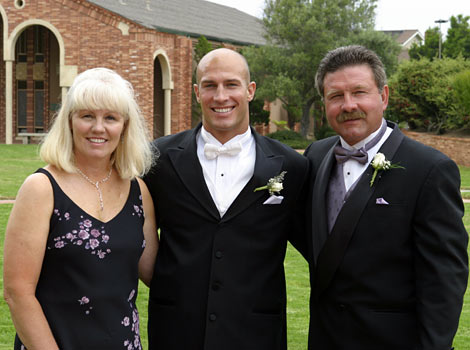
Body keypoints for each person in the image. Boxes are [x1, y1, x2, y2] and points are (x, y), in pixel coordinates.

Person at [304, 45, 468, 349]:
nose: (348, 105)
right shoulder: (315, 156)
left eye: (359, 92)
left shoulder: (430, 169)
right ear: (324, 103)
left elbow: (445, 278)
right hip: (325, 338)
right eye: (336, 96)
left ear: (384, 96)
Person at [143, 48, 309, 350]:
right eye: (209, 85)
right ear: (196, 92)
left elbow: (317, 244)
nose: (221, 96)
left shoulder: (291, 166)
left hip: (256, 333)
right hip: (176, 332)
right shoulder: (158, 159)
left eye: (231, 84)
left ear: (250, 90)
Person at [3, 67, 158, 350]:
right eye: (87, 116)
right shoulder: (42, 188)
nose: (98, 128)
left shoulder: (138, 191)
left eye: (110, 117)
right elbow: (17, 292)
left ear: (124, 126)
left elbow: (156, 273)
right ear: (70, 121)